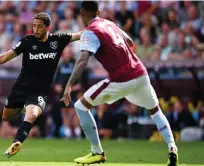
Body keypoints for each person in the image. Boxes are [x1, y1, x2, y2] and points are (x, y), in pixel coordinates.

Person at [61, 1, 178, 166]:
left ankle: (97, 152)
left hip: (122, 78)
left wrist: (69, 85)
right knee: (156, 111)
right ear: (98, 11)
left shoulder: (90, 32)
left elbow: (82, 61)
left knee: (80, 106)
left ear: (82, 13)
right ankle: (172, 148)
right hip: (141, 73)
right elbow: (130, 41)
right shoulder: (109, 23)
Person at [0, 12, 83, 158]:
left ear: (48, 27)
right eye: (34, 26)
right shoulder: (27, 42)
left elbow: (80, 34)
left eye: (39, 27)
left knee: (33, 114)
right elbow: (5, 57)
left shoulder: (58, 40)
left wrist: (106, 27)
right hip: (21, 88)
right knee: (6, 116)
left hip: (39, 91)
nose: (35, 29)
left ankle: (17, 142)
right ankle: (22, 108)